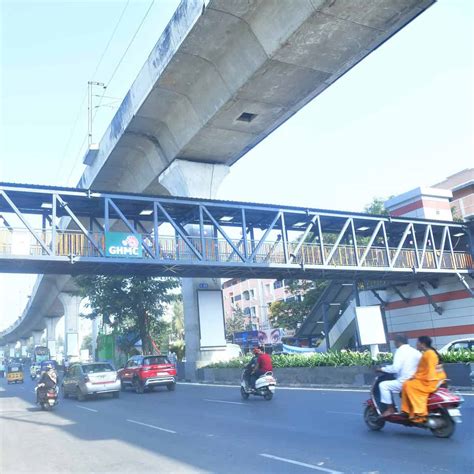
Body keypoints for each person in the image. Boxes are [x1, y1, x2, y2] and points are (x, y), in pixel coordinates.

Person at [401, 335, 447, 423]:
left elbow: (430, 371)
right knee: (407, 383)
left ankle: (419, 413)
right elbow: (424, 370)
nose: (416, 345)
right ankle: (408, 411)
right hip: (434, 379)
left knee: (408, 385)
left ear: (422, 344)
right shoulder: (429, 352)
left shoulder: (429, 354)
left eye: (417, 343)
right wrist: (415, 376)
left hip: (431, 382)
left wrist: (416, 377)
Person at [377, 334, 421, 417]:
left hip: (404, 382)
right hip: (415, 381)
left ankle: (390, 409)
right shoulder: (415, 351)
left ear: (397, 342)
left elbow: (395, 368)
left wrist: (381, 369)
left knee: (383, 385)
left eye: (394, 341)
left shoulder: (400, 351)